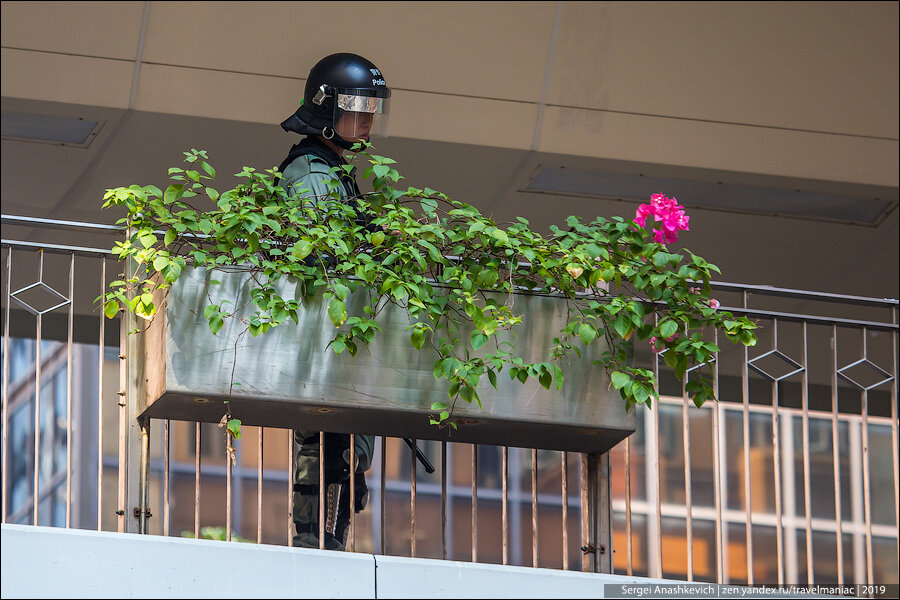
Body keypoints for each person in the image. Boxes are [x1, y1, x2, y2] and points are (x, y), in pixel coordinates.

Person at [277, 52, 391, 550]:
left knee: (345, 458)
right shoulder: (311, 172)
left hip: (340, 343)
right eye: (357, 106)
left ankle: (329, 538)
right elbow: (330, 255)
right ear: (327, 108)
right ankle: (315, 542)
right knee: (325, 455)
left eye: (371, 107)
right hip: (324, 343)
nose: (367, 118)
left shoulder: (333, 170)